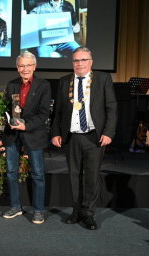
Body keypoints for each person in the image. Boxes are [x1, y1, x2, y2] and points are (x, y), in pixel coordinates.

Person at [51, 47, 117, 230]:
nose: (79, 64)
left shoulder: (102, 79)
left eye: (83, 60)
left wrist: (108, 132)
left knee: (91, 176)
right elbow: (58, 112)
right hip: (71, 137)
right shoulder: (65, 81)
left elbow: (111, 107)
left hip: (94, 137)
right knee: (73, 176)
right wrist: (56, 132)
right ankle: (76, 211)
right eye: (76, 60)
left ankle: (88, 214)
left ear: (91, 61)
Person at [2, 51, 51, 224]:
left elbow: (44, 113)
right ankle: (15, 207)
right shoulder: (11, 84)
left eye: (28, 65)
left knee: (37, 174)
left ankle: (38, 210)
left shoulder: (43, 85)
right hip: (12, 135)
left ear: (34, 66)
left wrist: (26, 125)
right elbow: (6, 108)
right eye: (21, 65)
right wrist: (6, 119)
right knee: (11, 173)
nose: (25, 69)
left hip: (33, 134)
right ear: (17, 68)